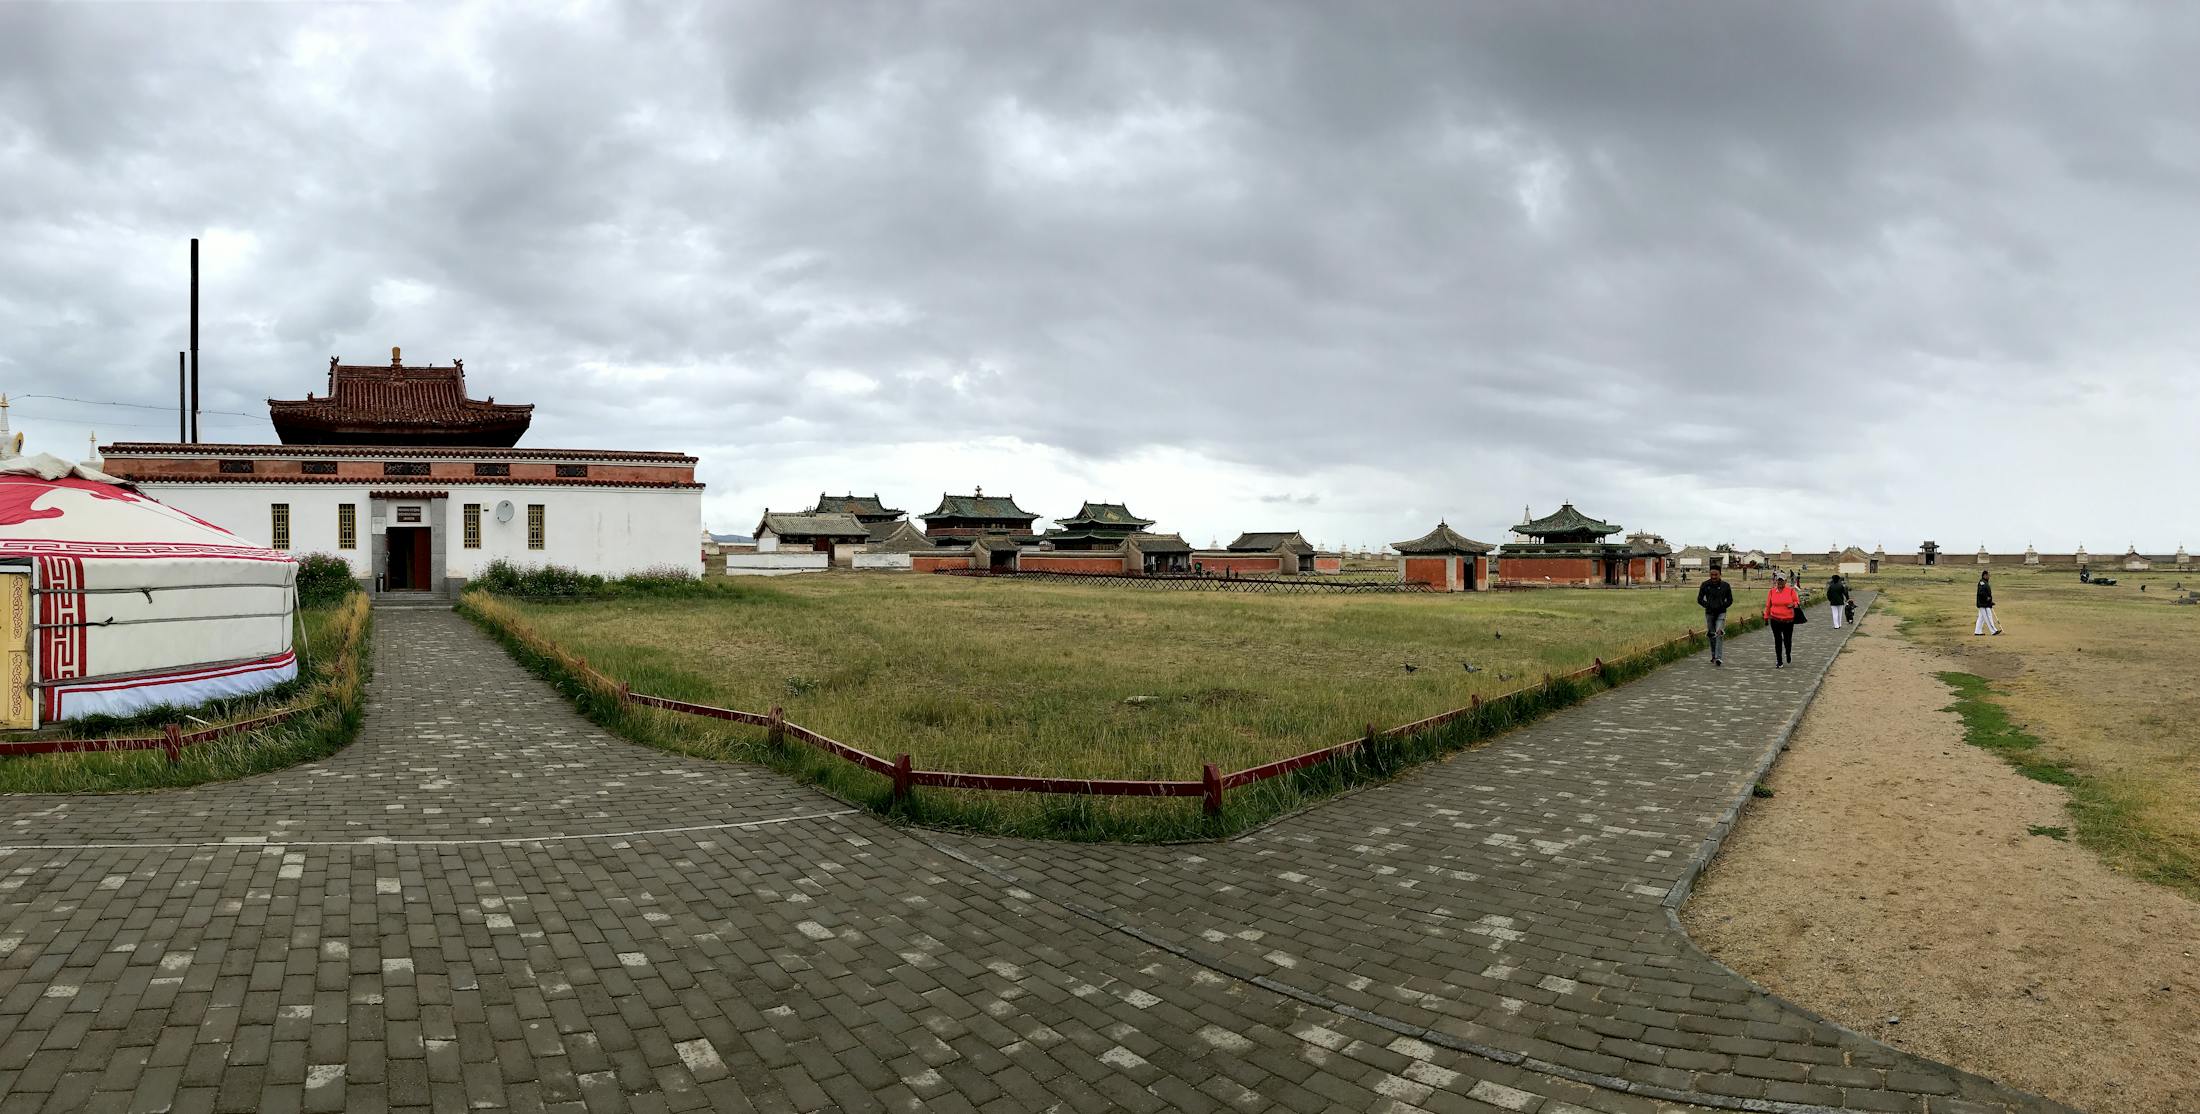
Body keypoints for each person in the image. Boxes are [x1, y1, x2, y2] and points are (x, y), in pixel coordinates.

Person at [1696, 565, 1733, 666]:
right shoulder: (1705, 585)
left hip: (1721, 613)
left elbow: (1730, 600)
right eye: (1711, 574)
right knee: (1712, 635)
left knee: (1719, 633)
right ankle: (1713, 655)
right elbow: (1699, 599)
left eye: (1716, 574)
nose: (1713, 576)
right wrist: (1707, 605)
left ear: (1720, 574)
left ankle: (1718, 658)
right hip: (1709, 613)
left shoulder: (1726, 586)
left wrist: (1722, 606)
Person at [1763, 572, 1801, 667]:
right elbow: (1768, 605)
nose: (1780, 582)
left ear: (1785, 581)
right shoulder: (1772, 592)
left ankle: (1788, 653)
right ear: (1776, 581)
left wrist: (1793, 604)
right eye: (1778, 580)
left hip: (1788, 620)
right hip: (1775, 619)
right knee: (1778, 640)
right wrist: (1766, 617)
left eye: (1782, 580)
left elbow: (1797, 602)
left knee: (1787, 640)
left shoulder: (1791, 591)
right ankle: (1779, 661)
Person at [1975, 570, 2001, 635]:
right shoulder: (1982, 582)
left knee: (1981, 618)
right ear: (1985, 575)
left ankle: (1977, 631)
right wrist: (1987, 598)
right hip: (1983, 604)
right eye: (1988, 575)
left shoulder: (1985, 582)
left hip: (1985, 603)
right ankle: (1993, 631)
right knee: (1987, 617)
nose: (1989, 576)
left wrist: (1990, 601)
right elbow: (1981, 593)